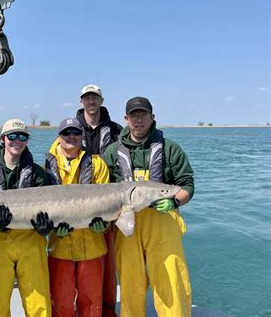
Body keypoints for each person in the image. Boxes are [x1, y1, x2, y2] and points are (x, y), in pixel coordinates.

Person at [102, 96, 195, 317]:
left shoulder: (170, 149)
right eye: (134, 115)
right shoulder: (113, 152)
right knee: (130, 282)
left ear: (152, 118)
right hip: (126, 224)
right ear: (126, 119)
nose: (139, 120)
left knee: (171, 281)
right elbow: (101, 190)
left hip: (162, 223)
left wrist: (174, 201)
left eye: (143, 115)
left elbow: (187, 185)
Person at [0, 119, 52, 317]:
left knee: (39, 303)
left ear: (27, 141)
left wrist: (45, 228)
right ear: (2, 139)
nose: (17, 140)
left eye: (22, 136)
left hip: (31, 241)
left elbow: (50, 208)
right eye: (12, 136)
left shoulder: (38, 173)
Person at [44, 118, 111, 316]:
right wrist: (51, 227)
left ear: (82, 137)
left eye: (76, 132)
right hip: (60, 245)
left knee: (91, 303)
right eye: (66, 133)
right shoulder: (47, 166)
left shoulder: (98, 164)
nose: (71, 136)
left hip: (92, 245)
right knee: (60, 301)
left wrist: (104, 225)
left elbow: (106, 203)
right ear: (59, 137)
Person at [76, 84, 122, 316]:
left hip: (110, 204)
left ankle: (107, 309)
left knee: (109, 261)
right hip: (77, 207)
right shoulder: (71, 130)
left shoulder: (116, 130)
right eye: (87, 98)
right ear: (81, 101)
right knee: (82, 264)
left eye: (95, 98)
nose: (91, 102)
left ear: (101, 100)